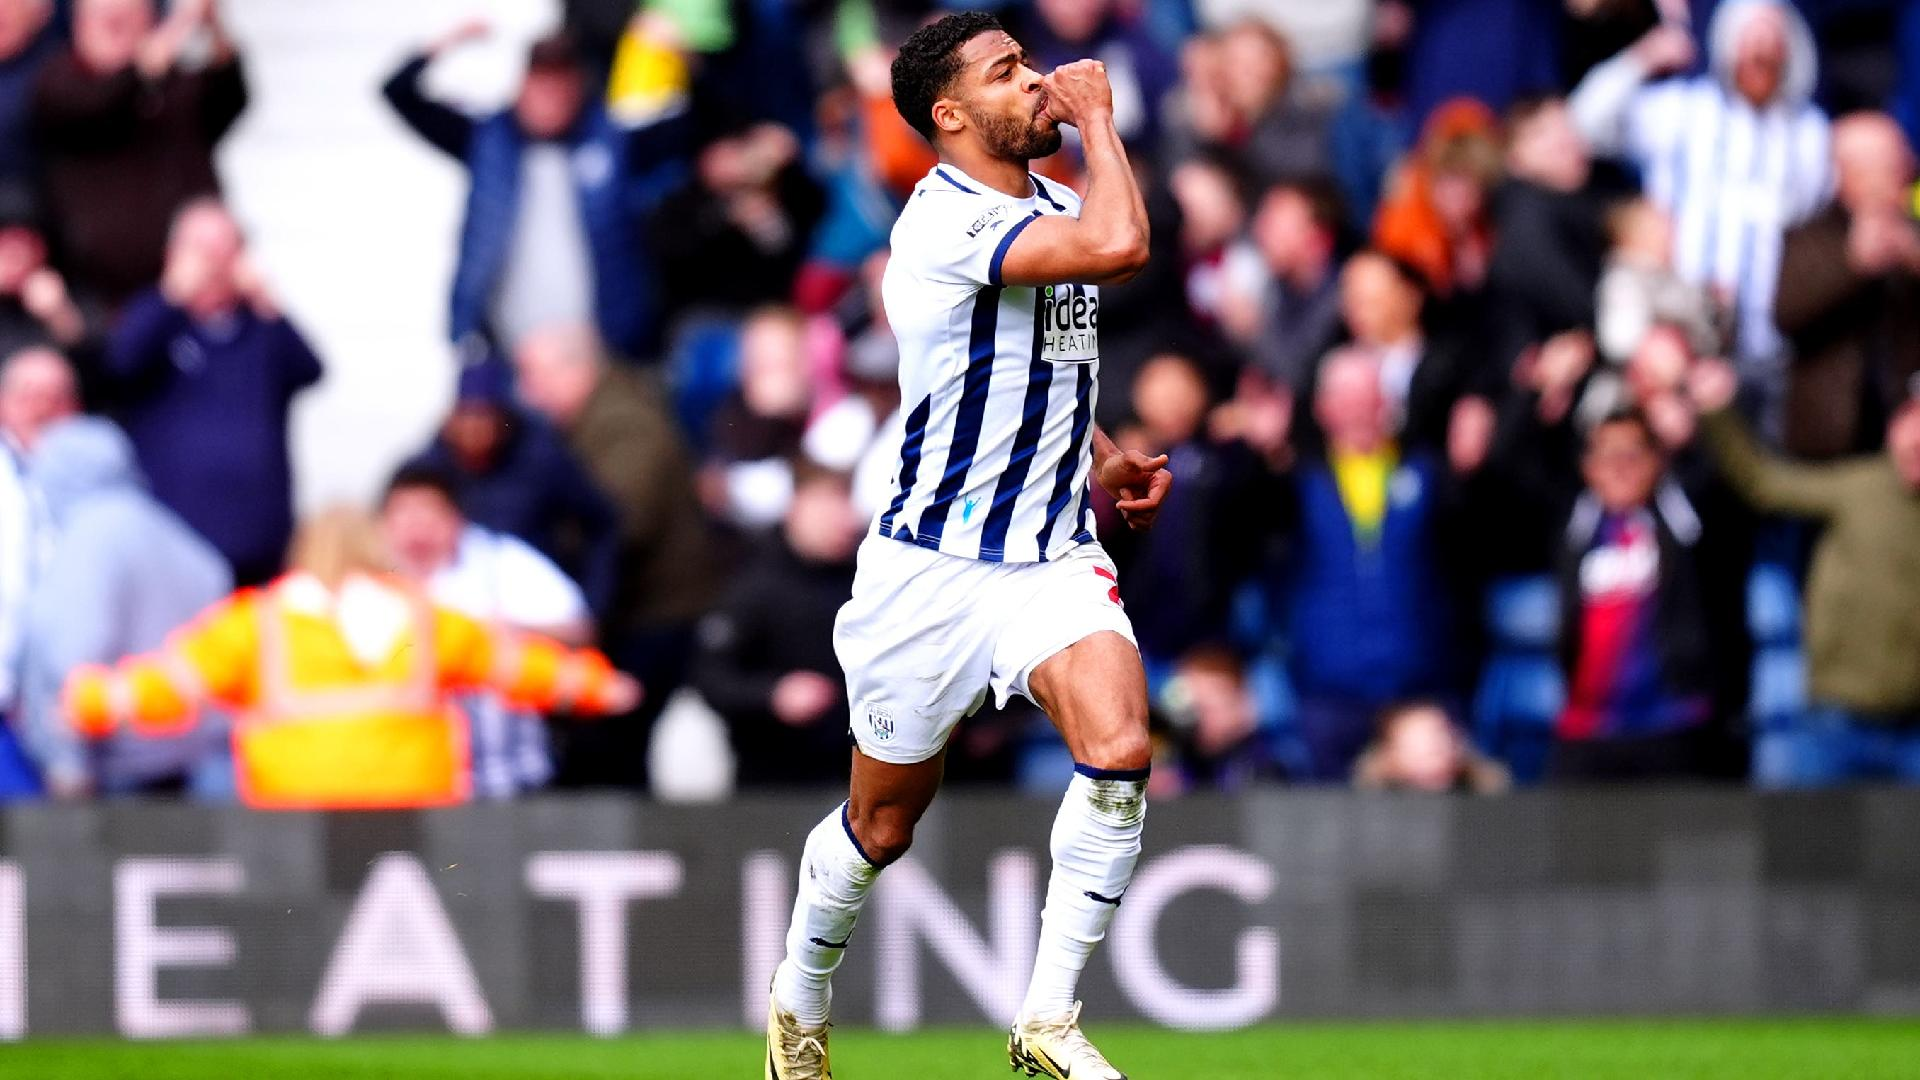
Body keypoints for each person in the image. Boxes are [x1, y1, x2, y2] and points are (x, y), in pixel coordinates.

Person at [762, 15, 1169, 1080]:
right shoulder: (941, 225)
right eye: (1009, 74)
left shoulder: (1057, 210)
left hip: (1048, 557)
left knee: (1121, 750)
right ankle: (800, 995)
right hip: (930, 572)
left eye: (1034, 66)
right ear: (951, 116)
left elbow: (1056, 370)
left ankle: (1046, 1022)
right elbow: (1125, 246)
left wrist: (1109, 458)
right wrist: (1098, 121)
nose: (1037, 82)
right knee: (881, 827)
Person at [63, 508, 640, 810]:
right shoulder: (423, 618)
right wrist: (597, 685)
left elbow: (171, 685)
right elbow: (513, 666)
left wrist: (91, 700)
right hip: (414, 809)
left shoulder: (260, 622)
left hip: (298, 811)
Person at [1570, 1, 1828, 408]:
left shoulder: (1810, 135)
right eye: (1749, 40)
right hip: (1673, 335)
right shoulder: (1683, 110)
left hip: (1768, 351)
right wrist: (1642, 58)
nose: (1759, 54)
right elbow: (1586, 124)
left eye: (1770, 42)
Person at [383, 23, 681, 360]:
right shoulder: (486, 141)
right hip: (507, 352)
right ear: (522, 85)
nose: (549, 101)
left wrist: (680, 53)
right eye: (541, 84)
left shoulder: (614, 142)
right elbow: (399, 93)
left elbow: (690, 127)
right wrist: (450, 39)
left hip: (602, 353)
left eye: (560, 87)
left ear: (577, 89)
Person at [1691, 359, 1920, 787]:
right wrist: (1718, 414)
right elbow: (1764, 483)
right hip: (1837, 718)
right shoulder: (1858, 486)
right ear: (1895, 427)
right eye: (1913, 423)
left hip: (1913, 728)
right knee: (1814, 846)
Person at [512, 321, 718, 788]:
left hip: (651, 618)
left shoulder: (622, 425)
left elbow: (621, 521)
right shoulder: (596, 422)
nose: (526, 393)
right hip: (637, 612)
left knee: (612, 751)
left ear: (574, 370)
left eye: (533, 376)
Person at [102, 199, 322, 585]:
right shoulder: (156, 317)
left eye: (227, 249)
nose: (215, 263)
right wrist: (172, 295)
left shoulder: (260, 328)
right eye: (202, 250)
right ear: (174, 254)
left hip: (259, 540)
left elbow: (311, 370)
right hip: (177, 542)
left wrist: (269, 304)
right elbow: (120, 365)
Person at [1275, 348, 1465, 781]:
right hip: (1328, 695)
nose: (1360, 409)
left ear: (1389, 404)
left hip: (1420, 691)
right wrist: (1263, 453)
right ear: (1323, 408)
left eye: (1370, 396)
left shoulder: (1429, 474)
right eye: (1347, 397)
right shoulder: (1295, 483)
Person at [16, 417, 230, 798]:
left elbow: (72, 661)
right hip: (202, 761)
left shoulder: (91, 538)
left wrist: (66, 762)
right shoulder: (169, 530)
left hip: (121, 768)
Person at [1550, 408, 1744, 782]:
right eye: (1606, 456)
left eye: (1631, 455)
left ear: (1657, 461)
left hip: (1672, 722)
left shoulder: (1682, 520)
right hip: (1588, 729)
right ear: (1588, 467)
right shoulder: (1575, 527)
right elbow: (1515, 468)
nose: (1619, 468)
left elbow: (1728, 478)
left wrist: (1695, 429)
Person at [381, 463, 593, 798]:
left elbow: (580, 630)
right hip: (401, 778)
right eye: (404, 515)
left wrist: (507, 632)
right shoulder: (365, 578)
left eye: (429, 515)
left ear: (456, 520)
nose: (416, 531)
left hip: (504, 776)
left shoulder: (497, 563)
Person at [32, 0, 247, 307]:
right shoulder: (59, 84)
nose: (115, 32)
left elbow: (229, 94)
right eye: (105, 21)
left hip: (197, 290)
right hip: (101, 297)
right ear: (78, 26)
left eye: (126, 20)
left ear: (148, 20)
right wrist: (177, 27)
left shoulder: (170, 87)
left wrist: (209, 23)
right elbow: (106, 101)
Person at [691, 467, 862, 788]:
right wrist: (773, 695)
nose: (844, 520)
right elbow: (710, 676)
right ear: (796, 508)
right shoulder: (754, 585)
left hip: (856, 771)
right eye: (827, 507)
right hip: (774, 775)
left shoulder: (868, 580)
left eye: (845, 505)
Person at [411, 361, 620, 614]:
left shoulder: (540, 458)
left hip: (535, 609)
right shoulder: (432, 467)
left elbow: (602, 523)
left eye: (484, 417)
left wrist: (592, 605)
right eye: (467, 417)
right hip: (452, 611)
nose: (474, 430)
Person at [1774, 112, 1920, 460]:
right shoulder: (1812, 233)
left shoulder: (1913, 227)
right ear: (1844, 173)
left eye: (1900, 163)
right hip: (1827, 443)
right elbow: (1786, 314)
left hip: (1904, 440)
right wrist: (1851, 265)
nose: (1902, 175)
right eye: (1884, 167)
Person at [0, 344, 76, 796]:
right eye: (27, 394)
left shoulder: (95, 475)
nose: (42, 408)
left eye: (55, 396)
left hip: (62, 699)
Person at [1352, 699, 1510, 793]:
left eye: (1442, 736)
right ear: (1390, 755)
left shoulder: (1488, 788)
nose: (1442, 748)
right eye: (1425, 752)